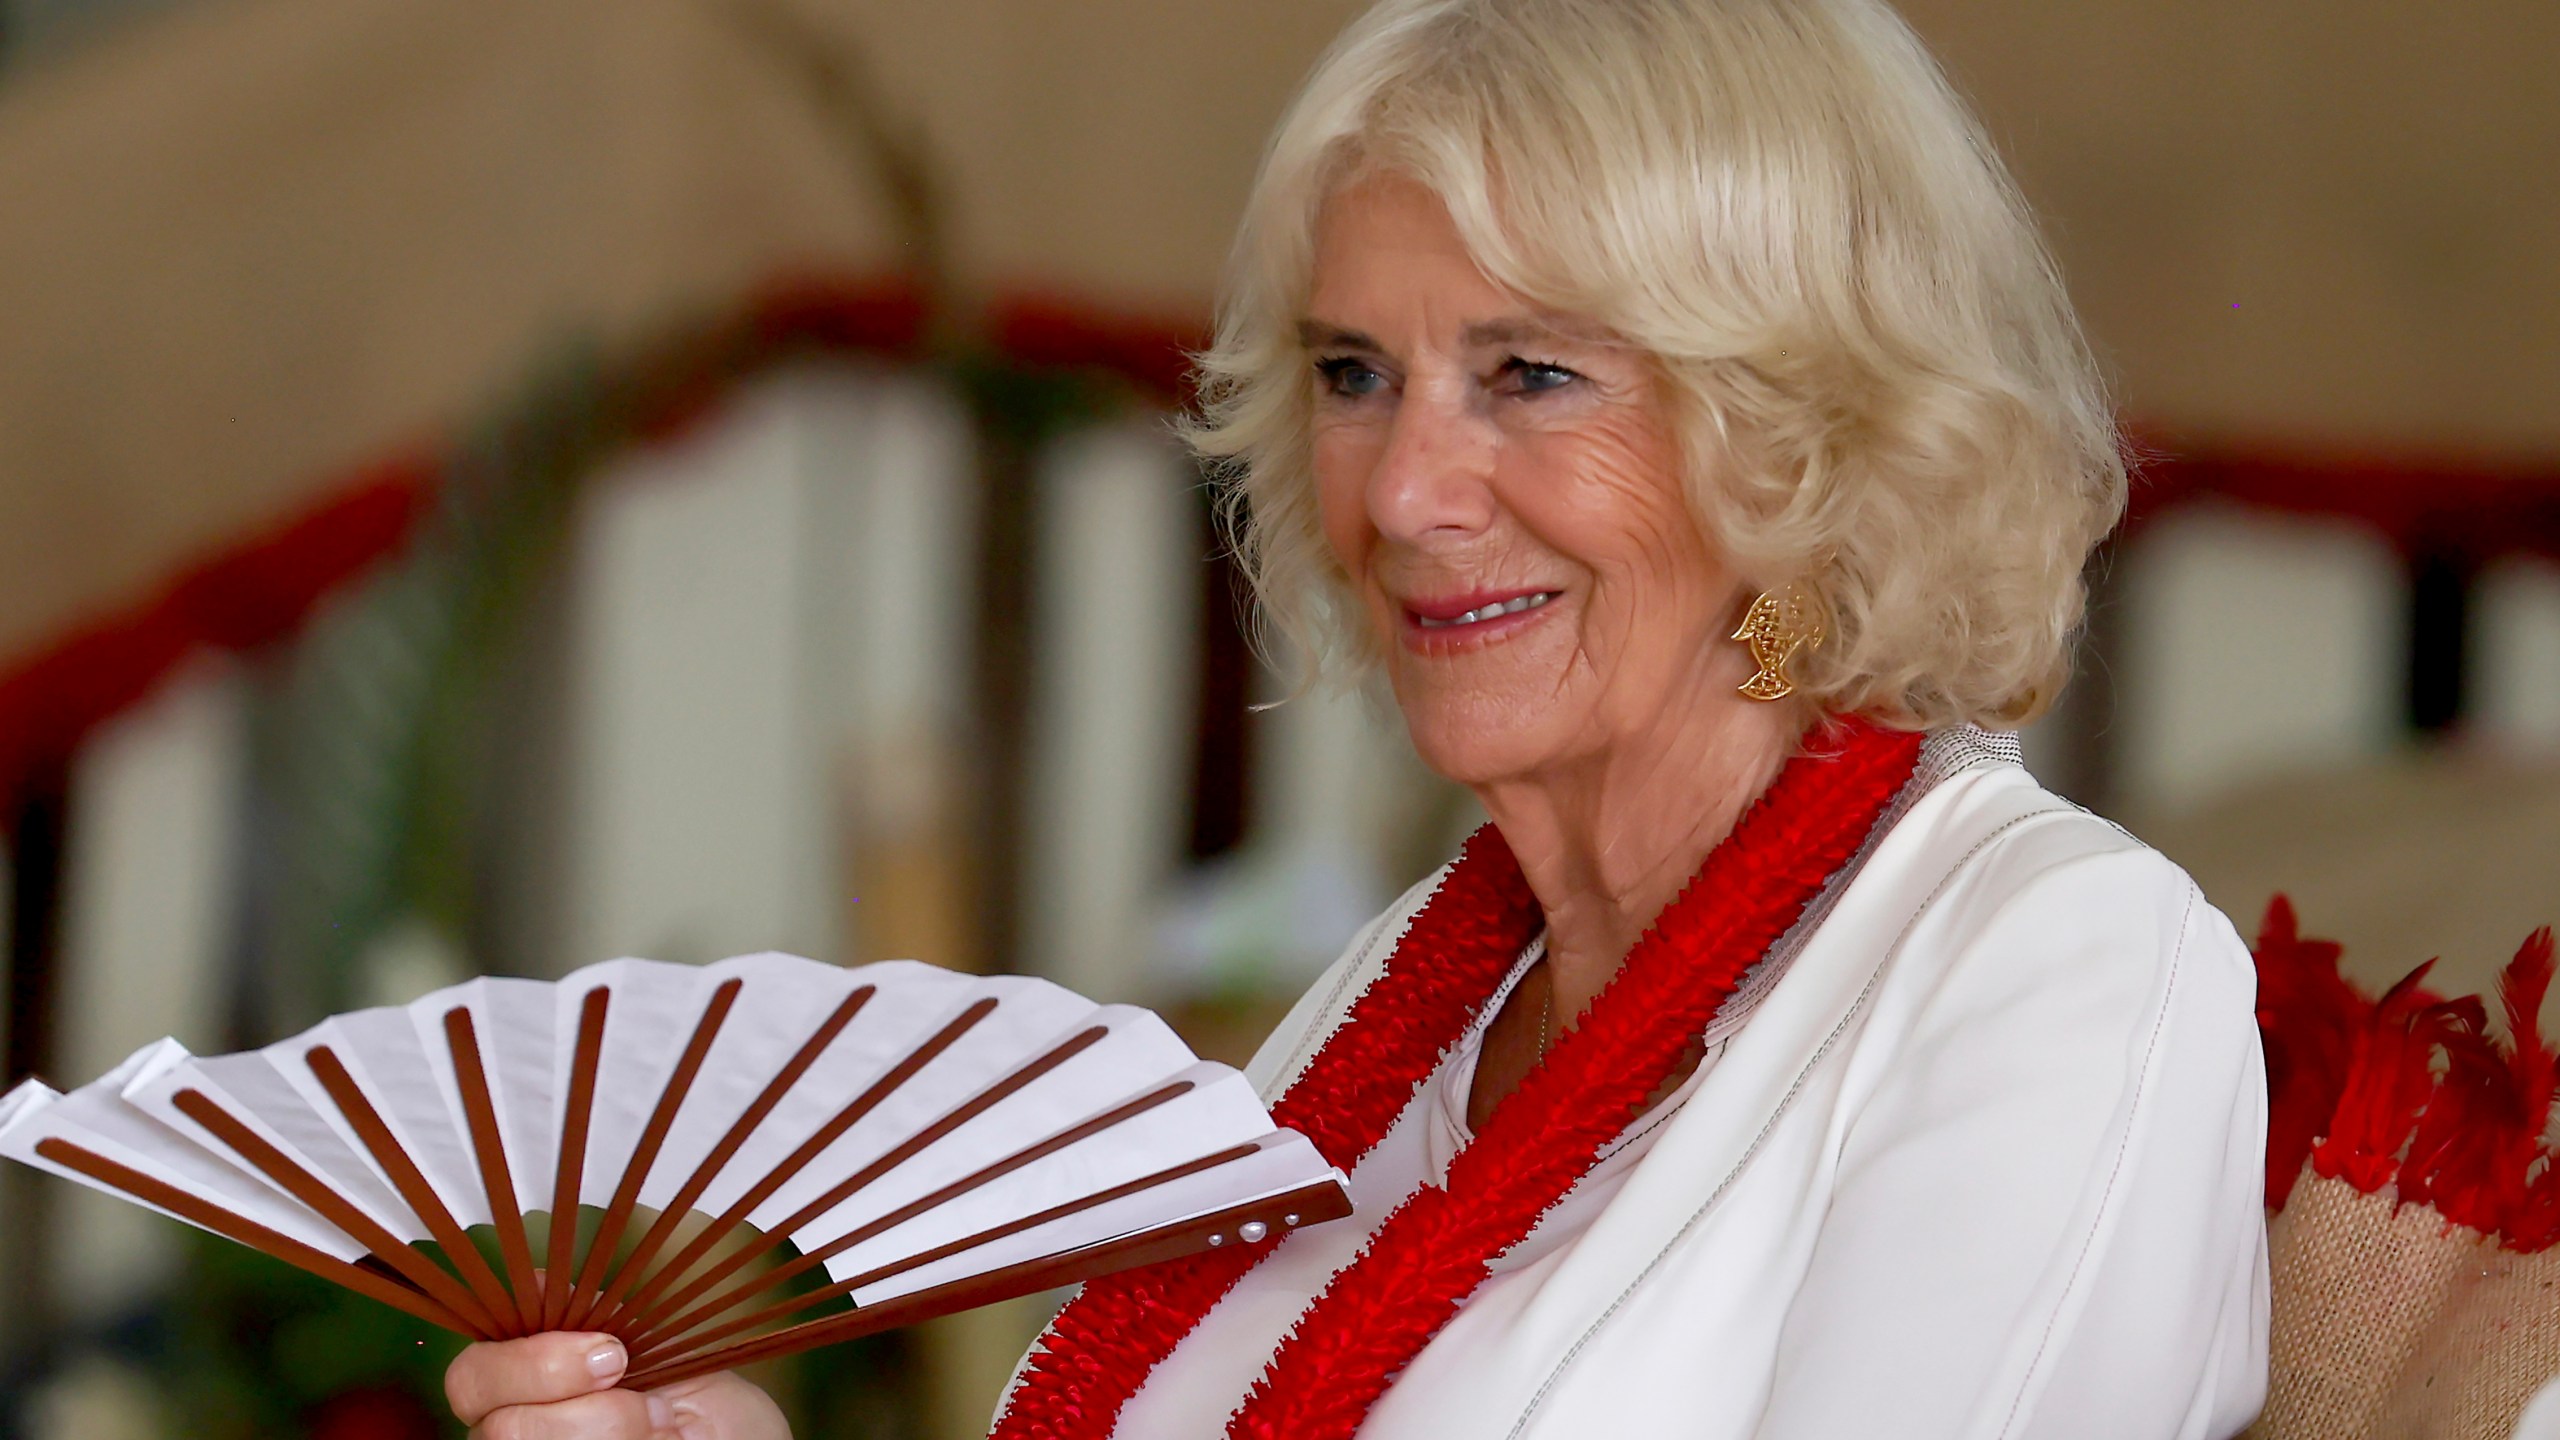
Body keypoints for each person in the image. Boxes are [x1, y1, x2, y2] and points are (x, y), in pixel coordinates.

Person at [442, 0, 2269, 1435]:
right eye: (1354, 375)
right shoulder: (1413, 993)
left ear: (1802, 432)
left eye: (1532, 373)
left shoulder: (2054, 973)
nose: (1403, 493)